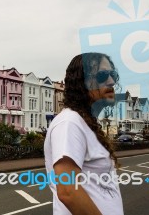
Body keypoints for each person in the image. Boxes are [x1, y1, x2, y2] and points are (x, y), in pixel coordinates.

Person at [44, 52, 123, 215]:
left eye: (112, 74)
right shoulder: (70, 122)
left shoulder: (84, 122)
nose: (112, 81)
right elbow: (68, 192)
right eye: (102, 75)